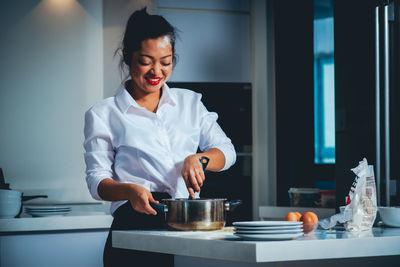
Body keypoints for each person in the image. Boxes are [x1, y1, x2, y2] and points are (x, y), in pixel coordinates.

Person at [83, 7, 236, 267]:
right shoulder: (103, 113)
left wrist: (199, 160)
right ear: (127, 56)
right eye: (146, 61)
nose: (157, 71)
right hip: (133, 224)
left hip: (188, 224)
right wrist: (130, 191)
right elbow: (97, 180)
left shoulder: (190, 103)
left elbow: (226, 151)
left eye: (166, 62)